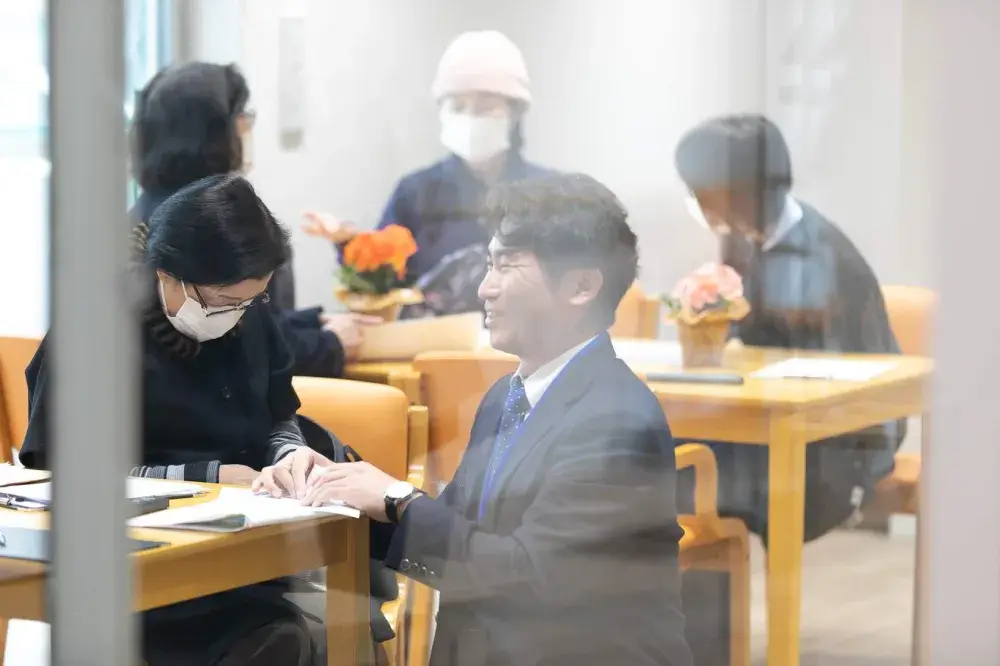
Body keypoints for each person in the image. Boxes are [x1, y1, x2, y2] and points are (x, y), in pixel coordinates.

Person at [275, 174, 694, 666]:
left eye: (506, 266)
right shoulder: (506, 396)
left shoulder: (617, 420)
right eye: (489, 264)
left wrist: (398, 499)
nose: (484, 288)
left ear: (581, 286)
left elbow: (531, 577)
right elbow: (460, 536)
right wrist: (340, 490)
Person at [19, 175, 390, 665]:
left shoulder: (250, 317)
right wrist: (205, 479)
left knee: (351, 630)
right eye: (222, 301)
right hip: (141, 569)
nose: (235, 315)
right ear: (167, 274)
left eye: (250, 301)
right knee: (275, 640)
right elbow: (62, 475)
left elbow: (278, 414)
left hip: (254, 550)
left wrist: (290, 453)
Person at [674, 113, 907, 542]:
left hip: (836, 449)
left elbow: (840, 388)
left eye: (699, 192)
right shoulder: (748, 241)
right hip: (776, 426)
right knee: (666, 454)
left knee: (683, 471)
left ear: (735, 194)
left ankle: (708, 572)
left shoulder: (820, 260)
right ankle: (706, 576)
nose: (696, 203)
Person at [130, 60, 378, 377]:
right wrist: (330, 345)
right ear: (214, 132)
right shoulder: (203, 226)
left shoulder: (143, 214)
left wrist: (313, 322)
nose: (247, 127)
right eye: (242, 116)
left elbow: (248, 320)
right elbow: (240, 349)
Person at [302, 30, 554, 317]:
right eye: (458, 107)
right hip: (435, 343)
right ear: (442, 113)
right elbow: (383, 283)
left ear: (515, 113)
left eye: (485, 107)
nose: (470, 118)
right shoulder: (415, 193)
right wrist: (348, 243)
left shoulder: (550, 196)